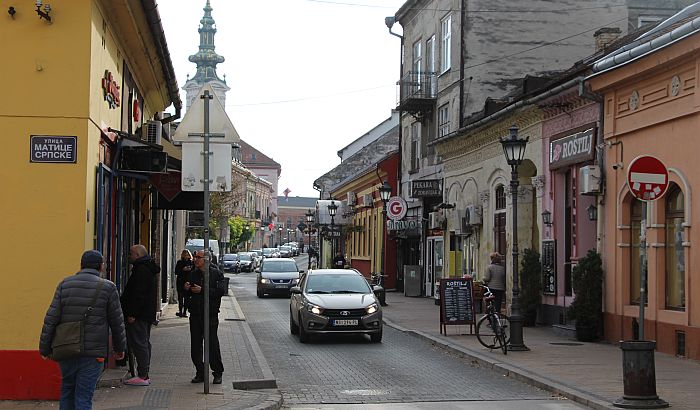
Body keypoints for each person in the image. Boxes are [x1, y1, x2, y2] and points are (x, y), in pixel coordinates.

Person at [39, 250, 126, 410]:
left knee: (67, 390)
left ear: (81, 265)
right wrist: (120, 349)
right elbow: (117, 322)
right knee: (84, 397)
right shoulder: (107, 287)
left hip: (66, 349)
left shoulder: (65, 284)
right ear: (101, 267)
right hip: (93, 353)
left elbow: (51, 318)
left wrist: (44, 348)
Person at [120, 244, 160, 386]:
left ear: (137, 255)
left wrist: (132, 313)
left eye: (131, 254)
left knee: (139, 343)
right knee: (143, 342)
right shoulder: (146, 268)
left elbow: (139, 295)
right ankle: (143, 373)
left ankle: (143, 375)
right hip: (145, 314)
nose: (129, 256)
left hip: (139, 315)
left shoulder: (142, 270)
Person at [185, 250, 226, 384]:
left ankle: (217, 372)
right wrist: (185, 288)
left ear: (206, 260)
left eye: (198, 257)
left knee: (212, 344)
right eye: (195, 257)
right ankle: (200, 372)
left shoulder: (216, 274)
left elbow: (220, 291)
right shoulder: (193, 274)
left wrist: (202, 290)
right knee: (195, 346)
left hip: (210, 314)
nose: (195, 259)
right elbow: (187, 294)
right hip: (195, 314)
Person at [175, 250, 194, 317]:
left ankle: (185, 312)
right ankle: (180, 311)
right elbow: (176, 272)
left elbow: (194, 272)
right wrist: (183, 269)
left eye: (187, 255)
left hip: (188, 281)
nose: (186, 256)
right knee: (180, 297)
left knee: (187, 298)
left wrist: (190, 269)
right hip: (180, 281)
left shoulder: (191, 263)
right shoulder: (179, 262)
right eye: (184, 255)